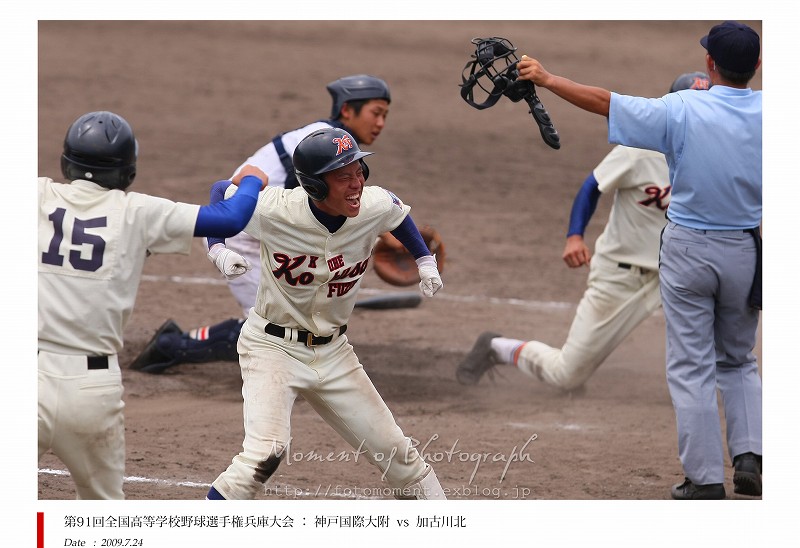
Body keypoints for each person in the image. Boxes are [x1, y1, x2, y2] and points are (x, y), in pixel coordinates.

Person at [508, 21, 762, 500]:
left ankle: (705, 479)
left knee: (691, 367)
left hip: (689, 250)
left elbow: (604, 100)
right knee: (739, 359)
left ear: (711, 64)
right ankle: (749, 453)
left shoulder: (682, 108)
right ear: (757, 67)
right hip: (745, 249)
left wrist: (547, 78)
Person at [206, 127, 446, 500]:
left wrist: (424, 259)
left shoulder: (373, 205)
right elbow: (222, 191)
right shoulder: (276, 210)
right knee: (261, 459)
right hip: (273, 349)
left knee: (404, 463)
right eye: (343, 176)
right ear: (315, 186)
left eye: (359, 171)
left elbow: (396, 214)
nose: (356, 184)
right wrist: (217, 248)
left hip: (335, 354)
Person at [38, 110, 268, 499]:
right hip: (94, 390)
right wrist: (251, 178)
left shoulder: (34, 195)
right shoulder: (140, 212)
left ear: (66, 162)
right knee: (101, 520)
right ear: (128, 171)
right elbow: (229, 219)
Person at [457, 72, 710, 394]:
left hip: (678, 274)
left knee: (723, 344)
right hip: (622, 275)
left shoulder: (716, 157)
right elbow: (593, 186)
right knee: (567, 375)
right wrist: (575, 236)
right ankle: (497, 346)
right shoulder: (640, 150)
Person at [130, 75, 392, 374]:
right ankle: (172, 346)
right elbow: (312, 212)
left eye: (385, 115)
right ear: (347, 110)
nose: (381, 123)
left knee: (290, 320)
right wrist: (380, 236)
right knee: (270, 326)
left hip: (258, 226)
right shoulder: (323, 143)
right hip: (238, 234)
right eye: (376, 112)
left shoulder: (328, 140)